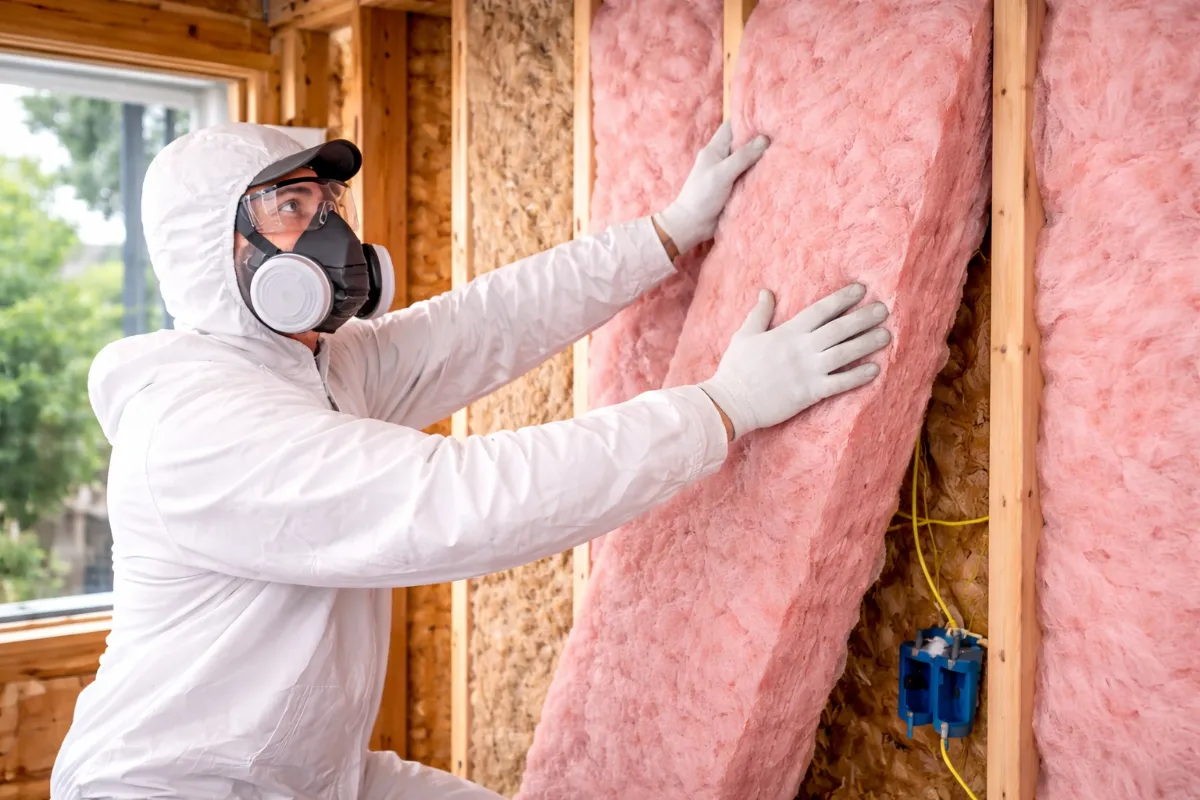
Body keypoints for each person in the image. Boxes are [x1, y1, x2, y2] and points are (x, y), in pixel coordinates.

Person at [50, 122, 891, 799]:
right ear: (221, 250)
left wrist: (664, 234)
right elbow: (461, 500)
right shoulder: (202, 429)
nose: (328, 228)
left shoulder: (311, 366)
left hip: (309, 777)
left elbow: (484, 323)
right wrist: (722, 405)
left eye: (325, 200)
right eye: (291, 206)